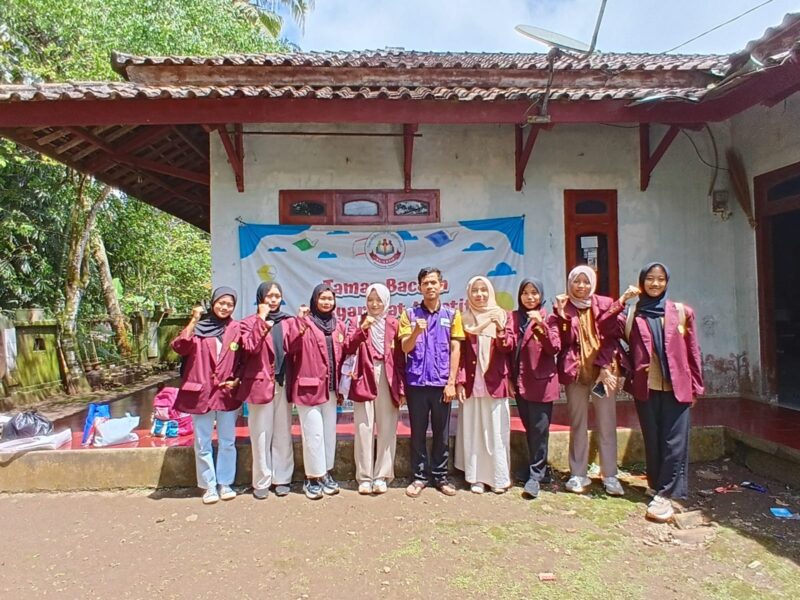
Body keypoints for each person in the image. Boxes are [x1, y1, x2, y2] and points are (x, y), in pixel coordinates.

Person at [601, 262, 704, 522]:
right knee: (653, 437)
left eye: (660, 279)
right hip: (645, 387)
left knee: (674, 441)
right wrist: (623, 300)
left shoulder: (682, 312)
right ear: (642, 281)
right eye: (650, 279)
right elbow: (604, 327)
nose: (655, 284)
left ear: (667, 282)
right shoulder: (634, 314)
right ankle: (656, 484)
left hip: (677, 387)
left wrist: (696, 387)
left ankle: (666, 493)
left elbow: (693, 352)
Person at [555, 266, 624, 496]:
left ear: (593, 283)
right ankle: (578, 473)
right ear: (570, 283)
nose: (581, 286)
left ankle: (610, 475)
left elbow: (612, 338)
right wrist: (561, 315)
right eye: (577, 281)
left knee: (606, 422)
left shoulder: (605, 304)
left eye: (586, 282)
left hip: (602, 375)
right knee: (578, 424)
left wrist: (605, 366)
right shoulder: (564, 306)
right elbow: (561, 342)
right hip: (576, 374)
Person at [171, 286, 242, 505]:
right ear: (212, 303)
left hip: (226, 393)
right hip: (200, 393)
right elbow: (180, 346)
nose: (224, 307)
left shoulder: (236, 328)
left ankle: (225, 483)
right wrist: (193, 320)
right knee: (202, 441)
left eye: (229, 304)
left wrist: (237, 379)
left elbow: (244, 358)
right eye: (221, 302)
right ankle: (209, 485)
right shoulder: (199, 328)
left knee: (227, 441)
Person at [399, 267, 465, 497]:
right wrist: (416, 331)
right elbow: (405, 347)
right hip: (416, 383)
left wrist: (451, 382)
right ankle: (418, 477)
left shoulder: (452, 315)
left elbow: (456, 349)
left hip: (441, 384)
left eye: (434, 282)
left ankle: (440, 476)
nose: (430, 287)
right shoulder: (409, 314)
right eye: (426, 283)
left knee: (442, 432)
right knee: (417, 432)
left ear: (442, 286)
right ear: (419, 287)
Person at [285, 283, 346, 500]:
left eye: (330, 298)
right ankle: (312, 477)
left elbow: (345, 353)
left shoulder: (339, 325)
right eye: (323, 298)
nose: (327, 302)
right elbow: (290, 347)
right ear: (314, 300)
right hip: (308, 388)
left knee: (329, 433)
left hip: (331, 389)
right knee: (313, 434)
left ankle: (326, 474)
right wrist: (299, 323)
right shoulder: (303, 322)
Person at [342, 283, 405, 495]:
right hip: (363, 376)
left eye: (379, 300)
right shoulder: (356, 321)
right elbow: (348, 347)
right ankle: (365, 476)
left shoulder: (394, 324)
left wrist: (402, 388)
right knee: (363, 427)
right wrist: (363, 329)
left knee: (387, 427)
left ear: (386, 301)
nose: (375, 304)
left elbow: (401, 359)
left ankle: (382, 475)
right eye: (371, 299)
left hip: (388, 377)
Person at [455, 276, 513, 494]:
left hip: (495, 382)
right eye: (475, 291)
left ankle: (498, 477)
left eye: (483, 290)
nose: (479, 295)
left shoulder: (501, 316)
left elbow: (508, 349)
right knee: (473, 429)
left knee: (496, 430)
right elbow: (459, 354)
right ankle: (475, 477)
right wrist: (459, 382)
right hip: (471, 383)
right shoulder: (464, 319)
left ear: (490, 292)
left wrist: (500, 332)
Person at [239, 281, 295, 499]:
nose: (273, 299)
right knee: (261, 434)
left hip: (283, 383)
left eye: (277, 295)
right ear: (260, 297)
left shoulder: (288, 321)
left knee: (283, 432)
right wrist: (261, 320)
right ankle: (261, 480)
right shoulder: (248, 323)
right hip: (259, 386)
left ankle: (282, 478)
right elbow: (250, 347)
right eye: (269, 296)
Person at [508, 278, 561, 499]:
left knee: (540, 430)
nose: (530, 297)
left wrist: (541, 324)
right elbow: (508, 348)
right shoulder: (513, 317)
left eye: (534, 293)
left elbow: (554, 347)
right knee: (531, 428)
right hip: (521, 382)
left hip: (541, 384)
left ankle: (535, 476)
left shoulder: (549, 317)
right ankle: (538, 469)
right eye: (525, 293)